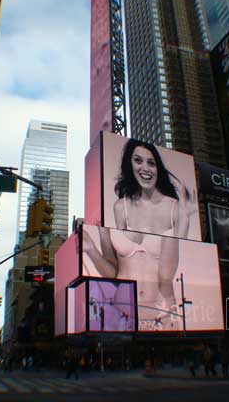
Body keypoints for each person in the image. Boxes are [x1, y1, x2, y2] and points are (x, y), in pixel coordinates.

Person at [83, 139, 196, 330]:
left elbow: (167, 274)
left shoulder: (174, 208)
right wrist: (92, 249)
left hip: (162, 314)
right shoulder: (121, 207)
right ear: (130, 165)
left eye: (151, 163)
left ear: (157, 168)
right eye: (138, 160)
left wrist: (184, 218)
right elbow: (115, 273)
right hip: (120, 315)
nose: (145, 168)